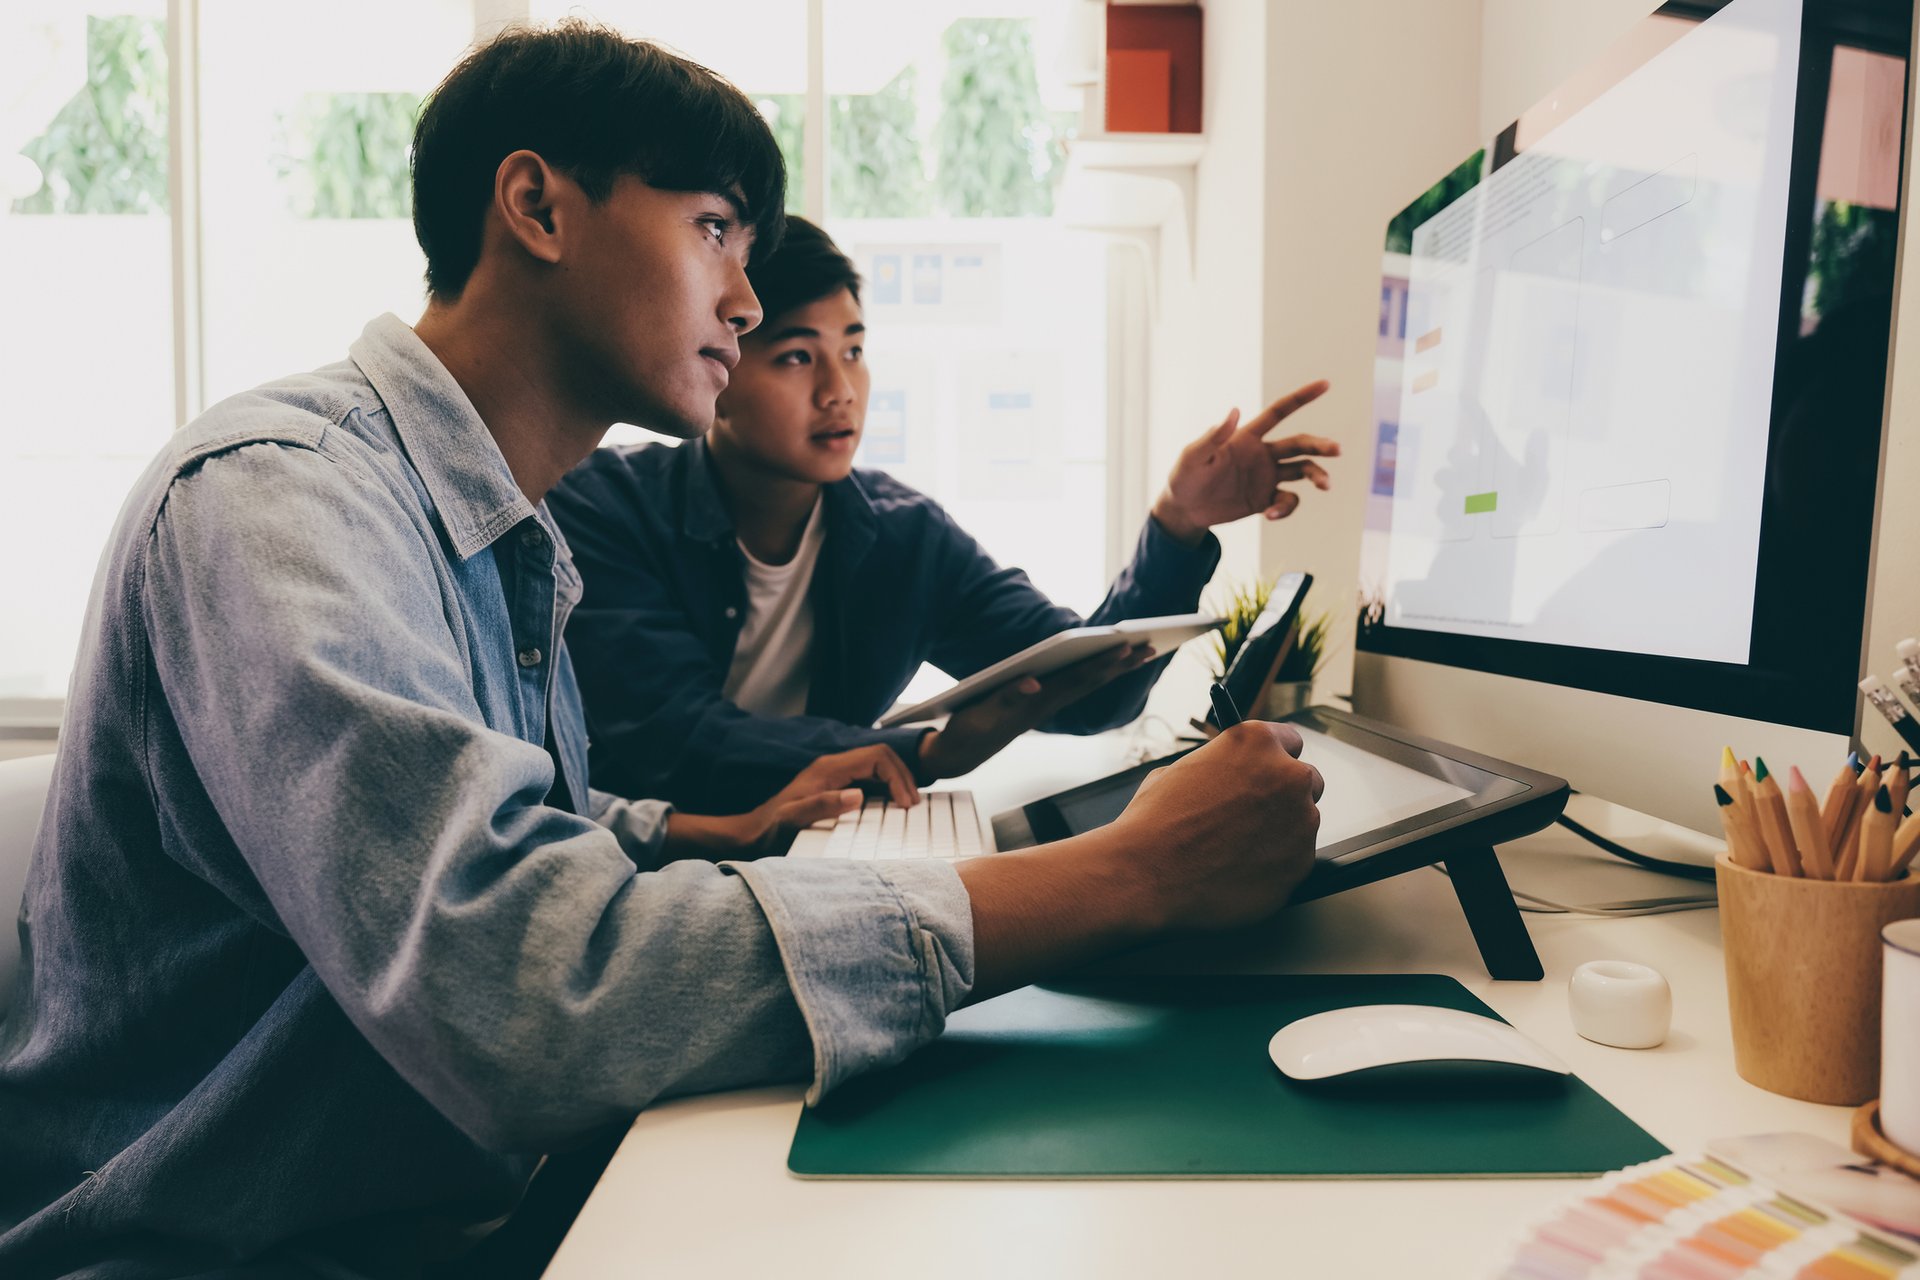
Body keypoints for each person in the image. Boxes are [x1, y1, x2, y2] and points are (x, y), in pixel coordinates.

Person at [0, 24, 1322, 1279]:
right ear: (536, 206)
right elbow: (525, 992)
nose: (747, 303)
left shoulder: (508, 538)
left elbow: (533, 821)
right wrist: (1134, 874)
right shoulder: (283, 504)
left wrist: (706, 832)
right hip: (245, 1250)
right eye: (712, 233)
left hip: (442, 1201)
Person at [548, 216, 1341, 814]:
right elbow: (672, 741)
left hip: (823, 854)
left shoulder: (902, 537)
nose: (840, 390)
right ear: (718, 358)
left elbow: (1089, 692)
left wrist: (1178, 525)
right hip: (642, 867)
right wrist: (923, 752)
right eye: (797, 357)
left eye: (853, 350)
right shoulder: (602, 508)